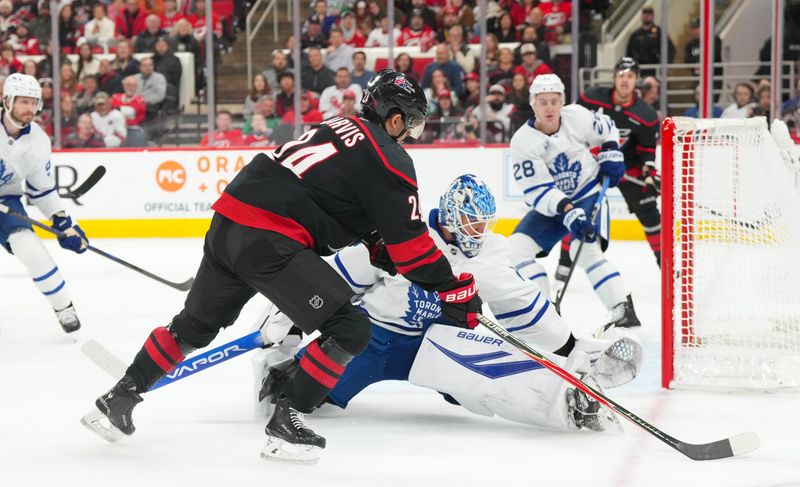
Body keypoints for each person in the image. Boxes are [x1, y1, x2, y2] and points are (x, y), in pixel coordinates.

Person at [81, 69, 482, 465]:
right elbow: (411, 247)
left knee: (193, 326)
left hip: (229, 223)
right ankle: (287, 423)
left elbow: (327, 194)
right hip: (270, 239)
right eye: (409, 123)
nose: (409, 134)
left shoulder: (337, 125)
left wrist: (372, 239)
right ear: (395, 117)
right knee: (350, 328)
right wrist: (452, 288)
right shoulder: (388, 155)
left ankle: (117, 400)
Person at [255, 175, 642, 431]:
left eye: (484, 223)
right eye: (472, 222)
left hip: (436, 341)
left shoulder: (488, 253)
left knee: (488, 370)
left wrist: (571, 347)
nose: (480, 231)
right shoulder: (404, 235)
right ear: (452, 216)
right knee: (297, 397)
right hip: (368, 338)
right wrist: (289, 322)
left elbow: (522, 304)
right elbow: (336, 278)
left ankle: (571, 402)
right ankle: (284, 370)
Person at [507, 73, 641, 329]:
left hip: (587, 193)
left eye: (555, 101)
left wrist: (611, 151)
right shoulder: (523, 142)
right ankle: (544, 312)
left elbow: (608, 127)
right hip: (552, 207)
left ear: (562, 102)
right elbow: (538, 190)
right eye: (543, 101)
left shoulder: (577, 116)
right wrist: (568, 211)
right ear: (533, 103)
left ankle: (622, 309)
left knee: (587, 253)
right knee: (515, 250)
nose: (549, 108)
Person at [0, 73, 88, 333]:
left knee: (29, 247)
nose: (29, 109)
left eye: (33, 102)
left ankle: (64, 308)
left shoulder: (38, 141)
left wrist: (62, 221)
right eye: (23, 102)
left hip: (5, 197)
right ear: (7, 100)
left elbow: (41, 188)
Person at [571, 57, 661, 268]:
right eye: (621, 75)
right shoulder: (592, 98)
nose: (625, 80)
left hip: (627, 167)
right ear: (614, 78)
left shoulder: (646, 115)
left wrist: (649, 174)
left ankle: (667, 267)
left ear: (636, 80)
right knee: (576, 211)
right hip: (593, 162)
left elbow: (647, 150)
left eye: (630, 76)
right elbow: (572, 123)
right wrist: (584, 150)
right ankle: (564, 268)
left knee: (650, 214)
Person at [624, 6, 675, 77]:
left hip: (656, 69)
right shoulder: (635, 35)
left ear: (653, 16)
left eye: (649, 14)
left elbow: (670, 50)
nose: (646, 16)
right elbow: (629, 53)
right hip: (640, 69)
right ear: (641, 16)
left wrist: (665, 65)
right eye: (644, 13)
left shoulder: (660, 32)